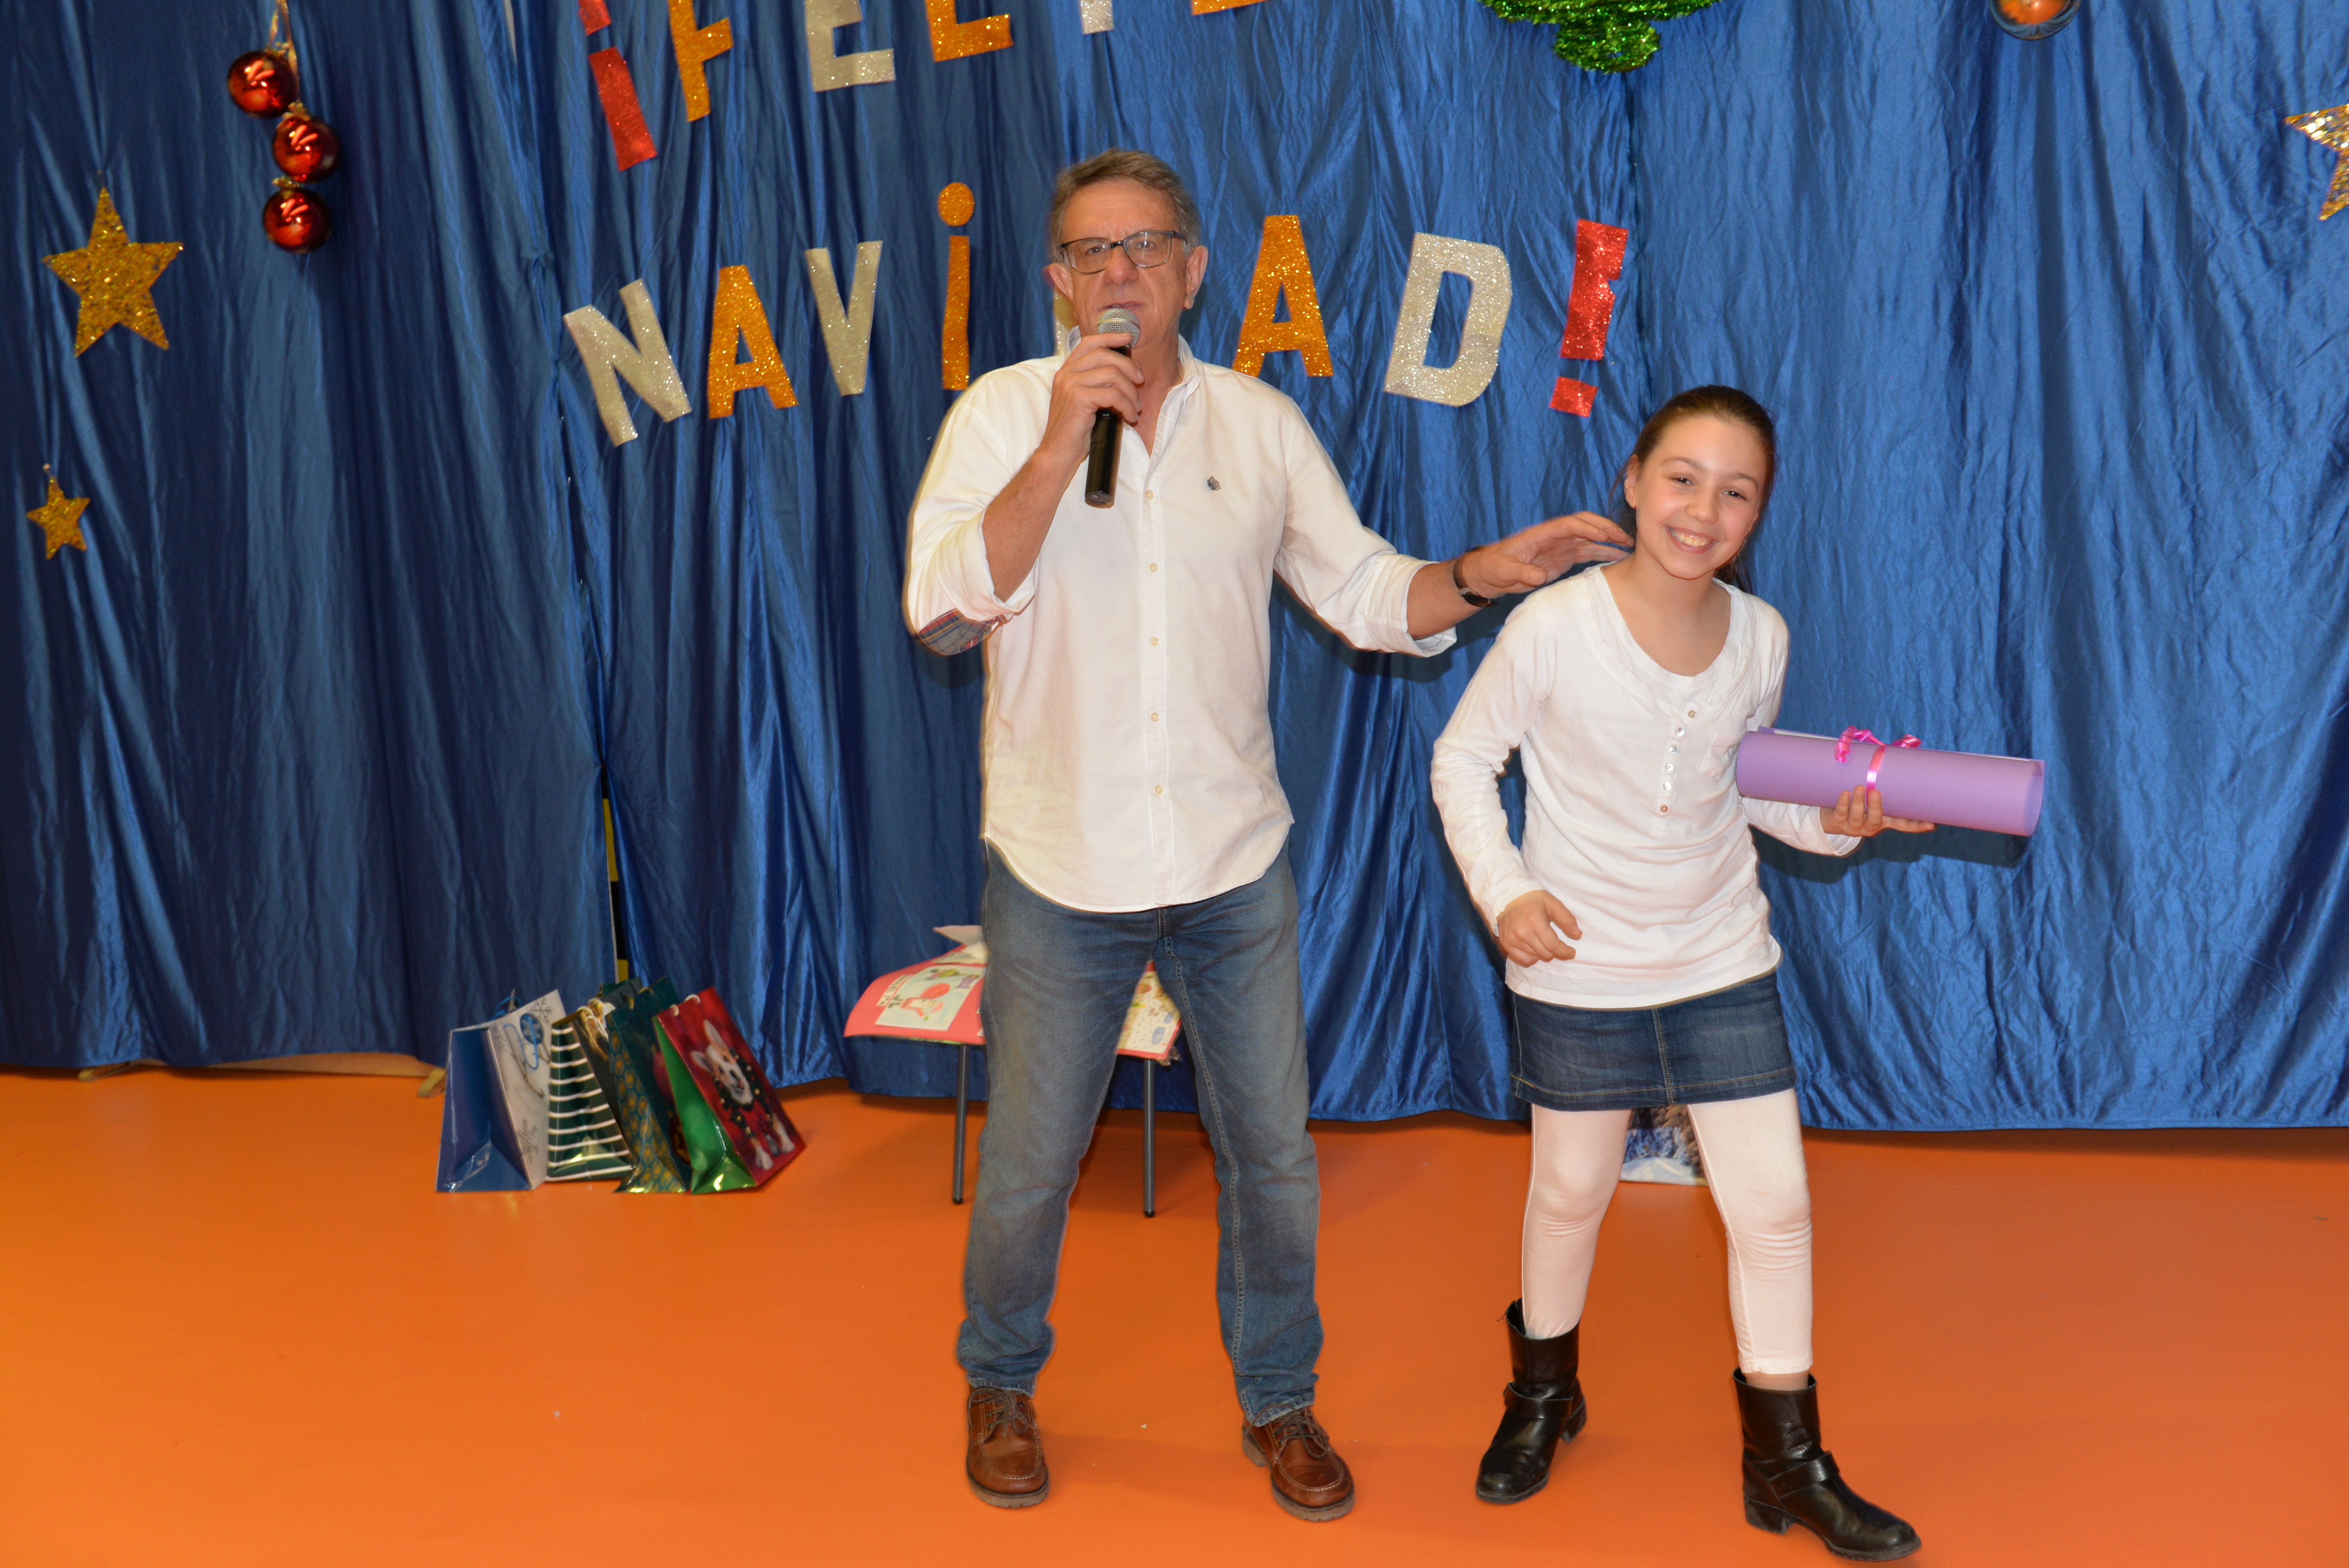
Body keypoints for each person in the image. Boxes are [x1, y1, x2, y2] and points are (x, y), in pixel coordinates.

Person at [902, 148, 1631, 1521]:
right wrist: (1061, 444)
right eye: (1092, 252)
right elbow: (941, 615)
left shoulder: (1260, 425)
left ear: (1192, 271)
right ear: (1060, 282)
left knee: (1275, 1162)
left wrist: (1483, 575)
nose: (1120, 272)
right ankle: (998, 1382)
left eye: (1146, 247)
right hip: (1062, 867)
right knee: (1032, 1165)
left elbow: (1367, 595)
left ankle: (1280, 1401)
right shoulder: (1005, 414)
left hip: (1234, 865)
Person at [1428, 386, 1928, 1560]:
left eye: (1736, 493)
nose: (1703, 512)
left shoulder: (1763, 637)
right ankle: (1543, 1396)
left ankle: (1786, 1462)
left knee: (1777, 1207)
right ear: (1634, 482)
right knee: (1570, 1192)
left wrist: (1842, 820)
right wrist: (1507, 894)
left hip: (1719, 954)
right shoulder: (1553, 625)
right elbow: (1462, 760)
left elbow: (1747, 792)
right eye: (1683, 480)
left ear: (1759, 514)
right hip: (1580, 962)